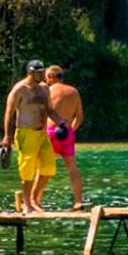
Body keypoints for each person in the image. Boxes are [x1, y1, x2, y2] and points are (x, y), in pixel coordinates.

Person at [2, 59, 66, 214]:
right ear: (30, 72)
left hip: (41, 133)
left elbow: (50, 110)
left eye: (43, 71)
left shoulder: (44, 88)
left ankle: (33, 199)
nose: (42, 75)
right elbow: (9, 113)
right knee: (27, 171)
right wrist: (6, 136)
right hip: (25, 133)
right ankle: (27, 205)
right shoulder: (20, 89)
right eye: (38, 72)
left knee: (49, 167)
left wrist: (61, 123)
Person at [44, 66, 85, 210]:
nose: (45, 80)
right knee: (72, 168)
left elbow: (43, 112)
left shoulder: (48, 91)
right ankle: (78, 201)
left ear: (52, 76)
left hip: (52, 131)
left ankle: (34, 200)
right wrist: (71, 130)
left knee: (44, 167)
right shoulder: (74, 92)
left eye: (47, 77)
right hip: (67, 132)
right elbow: (80, 117)